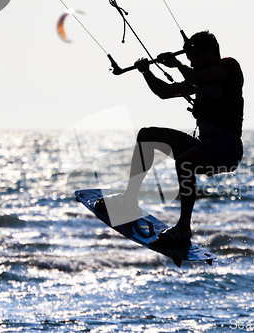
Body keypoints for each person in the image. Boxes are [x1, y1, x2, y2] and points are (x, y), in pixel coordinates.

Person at [95, 31, 244, 249]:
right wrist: (146, 72)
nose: (191, 63)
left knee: (184, 161)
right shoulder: (198, 81)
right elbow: (164, 92)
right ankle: (128, 200)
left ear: (209, 52)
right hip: (205, 146)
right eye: (189, 59)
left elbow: (199, 77)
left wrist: (177, 64)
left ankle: (184, 228)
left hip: (227, 148)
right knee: (147, 135)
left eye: (194, 58)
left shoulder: (229, 67)